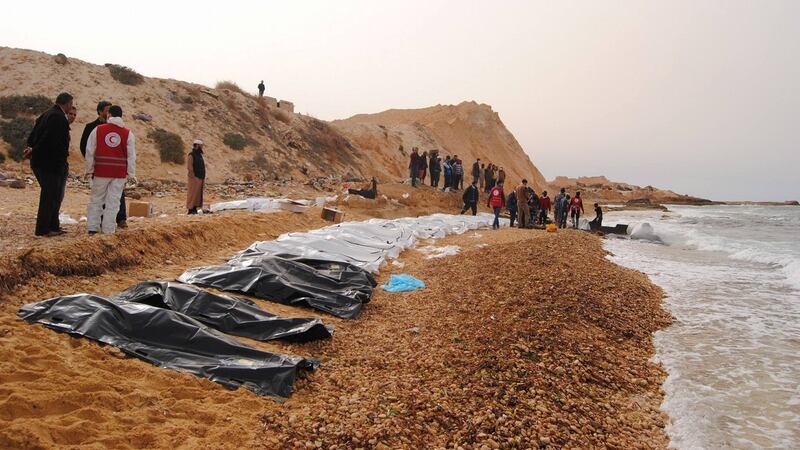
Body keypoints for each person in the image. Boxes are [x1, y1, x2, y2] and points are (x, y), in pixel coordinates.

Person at [25, 92, 73, 237]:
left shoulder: (46, 114)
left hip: (41, 162)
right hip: (50, 164)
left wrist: (31, 148)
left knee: (53, 195)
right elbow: (49, 140)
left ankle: (53, 226)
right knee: (50, 195)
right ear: (67, 103)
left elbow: (33, 135)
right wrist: (34, 150)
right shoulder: (59, 118)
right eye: (71, 104)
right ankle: (43, 229)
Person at [84, 105, 136, 234]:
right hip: (119, 173)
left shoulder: (98, 130)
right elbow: (131, 156)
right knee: (113, 201)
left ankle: (93, 228)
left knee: (96, 199)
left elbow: (90, 151)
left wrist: (89, 170)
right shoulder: (128, 133)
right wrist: (131, 174)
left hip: (101, 171)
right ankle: (108, 229)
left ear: (109, 115)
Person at [187, 139, 207, 213]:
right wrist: (193, 177)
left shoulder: (199, 155)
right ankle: (190, 208)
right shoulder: (191, 155)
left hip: (200, 177)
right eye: (201, 146)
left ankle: (195, 208)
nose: (202, 147)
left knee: (198, 194)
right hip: (194, 178)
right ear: (197, 145)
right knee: (192, 193)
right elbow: (190, 167)